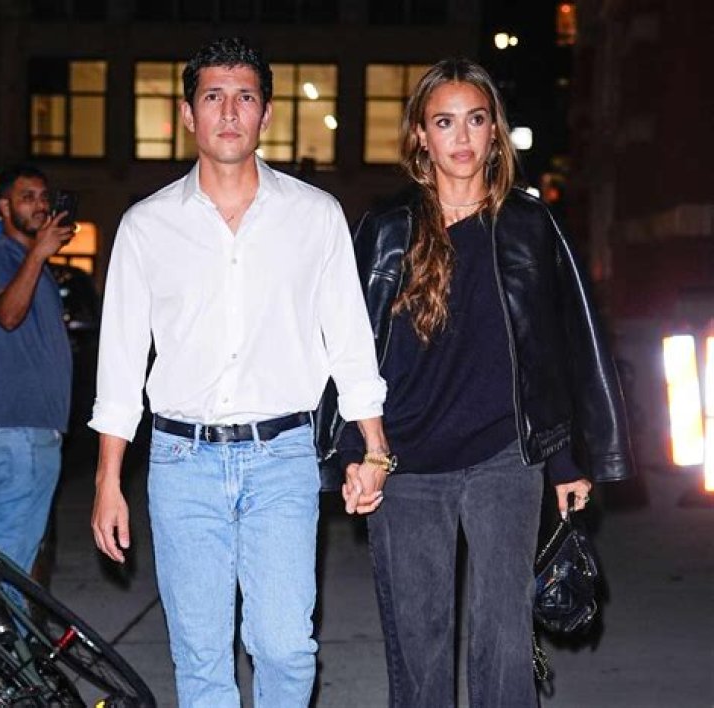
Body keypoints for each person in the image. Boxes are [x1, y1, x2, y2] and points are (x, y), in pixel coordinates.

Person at [323, 58, 634, 707]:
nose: (461, 137)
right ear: (420, 136)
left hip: (504, 459)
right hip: (406, 462)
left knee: (503, 641)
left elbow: (558, 348)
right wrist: (357, 450)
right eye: (444, 122)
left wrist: (565, 461)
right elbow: (350, 345)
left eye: (475, 119)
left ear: (495, 132)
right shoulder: (388, 228)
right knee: (420, 648)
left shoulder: (529, 225)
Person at [89, 37, 388, 707]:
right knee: (200, 655)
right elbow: (120, 366)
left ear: (266, 113)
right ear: (188, 114)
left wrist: (375, 448)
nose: (229, 112)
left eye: (245, 97)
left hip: (281, 458)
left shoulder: (314, 216)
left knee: (285, 645)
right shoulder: (145, 226)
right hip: (180, 462)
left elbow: (349, 341)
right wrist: (109, 481)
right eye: (213, 97)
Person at [0, 164, 74, 575]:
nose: (40, 206)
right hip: (19, 431)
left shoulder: (31, 263)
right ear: (5, 207)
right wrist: (40, 253)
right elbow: (8, 315)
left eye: (44, 197)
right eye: (27, 198)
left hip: (27, 430)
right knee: (12, 559)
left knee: (14, 550)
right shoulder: (2, 255)